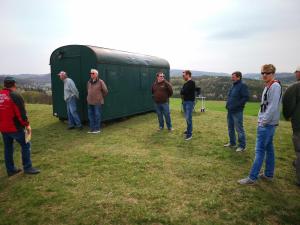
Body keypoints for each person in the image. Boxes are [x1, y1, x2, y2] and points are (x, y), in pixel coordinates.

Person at [238, 64, 282, 185]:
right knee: (269, 149)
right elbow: (264, 104)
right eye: (262, 73)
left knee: (259, 150)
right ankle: (268, 174)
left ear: (273, 73)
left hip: (267, 124)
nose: (264, 75)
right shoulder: (268, 86)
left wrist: (263, 121)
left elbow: (273, 107)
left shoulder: (275, 86)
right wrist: (260, 118)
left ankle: (252, 178)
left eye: (266, 73)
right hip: (266, 123)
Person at [0, 77, 40, 176]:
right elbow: (21, 113)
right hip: (15, 128)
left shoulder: (0, 94)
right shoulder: (15, 95)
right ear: (14, 84)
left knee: (8, 148)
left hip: (3, 128)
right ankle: (27, 167)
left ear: (5, 84)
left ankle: (10, 170)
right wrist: (27, 125)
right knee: (26, 144)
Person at [282, 66, 300, 187]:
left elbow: (287, 101)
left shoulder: (295, 87)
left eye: (296, 72)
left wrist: (288, 115)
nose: (295, 74)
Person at [224, 71, 249, 152]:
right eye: (232, 77)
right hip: (230, 111)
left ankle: (242, 146)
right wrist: (227, 105)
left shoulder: (242, 86)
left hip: (237, 111)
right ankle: (232, 143)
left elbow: (245, 97)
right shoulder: (233, 86)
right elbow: (230, 96)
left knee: (239, 129)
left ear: (238, 77)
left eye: (233, 77)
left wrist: (237, 105)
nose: (232, 78)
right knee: (230, 128)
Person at [87, 69, 108, 134]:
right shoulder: (89, 82)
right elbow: (88, 90)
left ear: (96, 74)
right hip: (90, 101)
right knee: (91, 116)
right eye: (90, 73)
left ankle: (97, 129)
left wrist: (100, 97)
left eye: (92, 73)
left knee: (97, 115)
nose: (91, 74)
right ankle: (92, 129)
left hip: (97, 102)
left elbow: (105, 91)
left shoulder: (100, 82)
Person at [180, 70, 196, 140]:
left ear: (188, 75)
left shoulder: (192, 83)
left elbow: (184, 92)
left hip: (189, 102)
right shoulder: (186, 84)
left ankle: (189, 135)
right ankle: (189, 130)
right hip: (185, 102)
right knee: (187, 117)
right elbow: (182, 92)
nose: (183, 76)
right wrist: (182, 91)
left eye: (184, 75)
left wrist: (183, 91)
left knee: (188, 118)